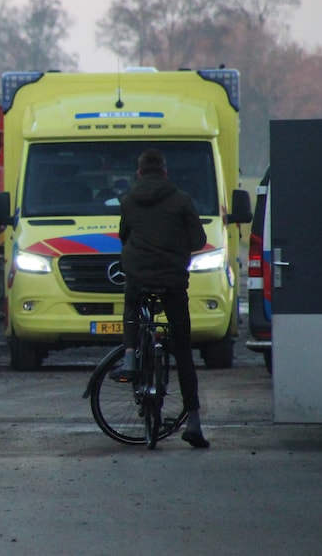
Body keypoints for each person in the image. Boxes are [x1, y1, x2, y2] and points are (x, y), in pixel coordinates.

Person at [110, 149, 210, 448]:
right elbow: (199, 241)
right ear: (165, 173)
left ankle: (130, 359)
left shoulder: (128, 201)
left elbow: (124, 237)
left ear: (139, 173)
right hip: (172, 280)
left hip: (139, 276)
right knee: (182, 348)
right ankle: (193, 421)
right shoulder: (181, 200)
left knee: (131, 303)